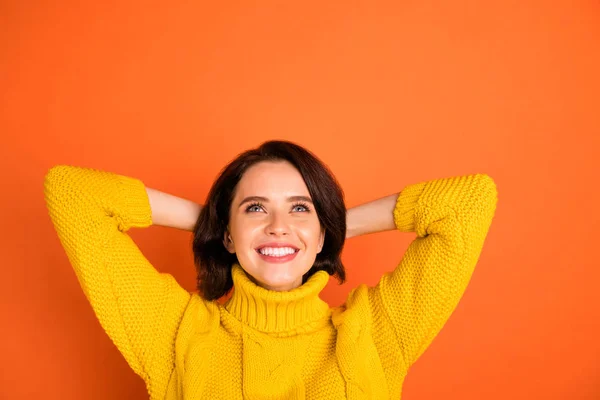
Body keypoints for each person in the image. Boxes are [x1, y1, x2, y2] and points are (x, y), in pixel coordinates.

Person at [43, 140, 498, 399]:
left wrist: (330, 227)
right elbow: (73, 194)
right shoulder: (177, 334)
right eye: (256, 208)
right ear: (226, 233)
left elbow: (468, 203)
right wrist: (218, 223)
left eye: (300, 209)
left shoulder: (375, 333)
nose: (279, 227)